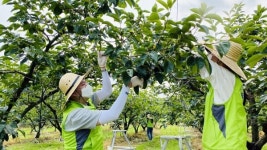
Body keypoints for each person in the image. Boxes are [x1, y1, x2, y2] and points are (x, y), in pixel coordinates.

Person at [58, 51, 144, 150]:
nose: (87, 85)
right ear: (74, 93)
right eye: (82, 85)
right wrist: (127, 86)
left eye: (85, 81)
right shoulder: (75, 115)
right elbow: (113, 114)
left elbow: (107, 91)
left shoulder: (86, 102)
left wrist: (103, 68)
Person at [199, 41, 247, 149]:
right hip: (233, 143)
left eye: (214, 54)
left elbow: (201, 61)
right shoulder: (233, 80)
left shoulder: (224, 78)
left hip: (223, 145)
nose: (211, 57)